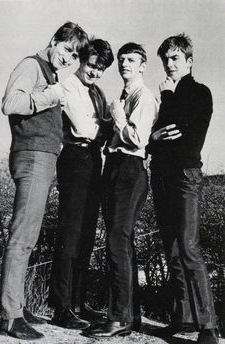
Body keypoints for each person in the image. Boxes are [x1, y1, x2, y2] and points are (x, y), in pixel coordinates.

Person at [0, 21, 88, 340]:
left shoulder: (49, 72)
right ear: (53, 40)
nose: (68, 57)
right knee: (22, 237)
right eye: (66, 49)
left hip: (44, 157)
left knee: (29, 236)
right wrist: (50, 96)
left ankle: (17, 307)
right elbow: (10, 104)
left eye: (74, 54)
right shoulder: (31, 65)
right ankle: (10, 316)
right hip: (32, 155)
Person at [148, 34, 218, 344]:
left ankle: (208, 327)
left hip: (186, 175)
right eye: (165, 59)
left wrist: (167, 102)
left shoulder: (197, 93)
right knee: (172, 249)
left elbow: (186, 139)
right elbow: (154, 138)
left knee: (189, 247)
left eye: (175, 58)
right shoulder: (167, 96)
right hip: (161, 176)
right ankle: (184, 318)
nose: (169, 64)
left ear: (188, 62)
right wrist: (157, 136)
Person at [87, 42, 158, 338]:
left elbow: (137, 138)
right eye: (121, 59)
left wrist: (116, 116)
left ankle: (118, 319)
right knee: (121, 242)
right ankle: (130, 316)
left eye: (131, 60)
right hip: (116, 166)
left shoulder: (143, 96)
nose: (124, 64)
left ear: (142, 65)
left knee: (117, 241)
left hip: (129, 168)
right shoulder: (125, 94)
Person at [48, 39, 114, 330]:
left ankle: (77, 302)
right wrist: (107, 124)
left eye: (101, 69)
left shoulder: (97, 92)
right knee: (70, 232)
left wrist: (105, 125)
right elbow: (85, 128)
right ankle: (61, 307)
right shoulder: (67, 86)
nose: (95, 72)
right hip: (74, 158)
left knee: (87, 234)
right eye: (92, 65)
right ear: (81, 60)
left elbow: (104, 128)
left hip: (93, 160)